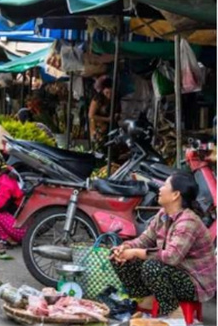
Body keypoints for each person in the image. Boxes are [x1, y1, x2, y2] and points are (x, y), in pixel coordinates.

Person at [110, 171, 215, 317]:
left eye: (165, 185)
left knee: (151, 267)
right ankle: (147, 300)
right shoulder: (163, 214)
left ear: (175, 195)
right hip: (173, 270)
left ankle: (173, 311)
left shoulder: (188, 222)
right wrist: (126, 247)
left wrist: (136, 252)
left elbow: (171, 258)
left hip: (195, 281)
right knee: (118, 256)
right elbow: (144, 240)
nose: (160, 188)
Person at [89, 77, 118, 149]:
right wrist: (107, 119)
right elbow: (91, 115)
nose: (109, 95)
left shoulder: (115, 98)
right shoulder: (97, 99)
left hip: (109, 127)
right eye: (107, 93)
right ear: (102, 91)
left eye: (111, 93)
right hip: (97, 126)